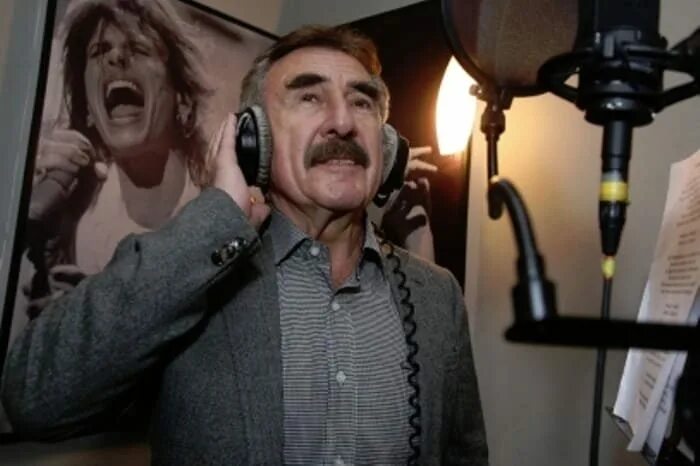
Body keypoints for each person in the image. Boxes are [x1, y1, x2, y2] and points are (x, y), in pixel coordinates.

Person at [2, 25, 488, 465]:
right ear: (253, 139)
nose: (343, 122)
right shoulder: (193, 273)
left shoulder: (436, 294)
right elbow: (34, 396)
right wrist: (218, 216)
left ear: (387, 145)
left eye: (361, 102)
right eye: (310, 97)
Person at [24, 0, 210, 316]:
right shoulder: (71, 213)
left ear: (183, 99)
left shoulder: (217, 209)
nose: (116, 57)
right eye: (99, 51)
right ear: (89, 109)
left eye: (138, 47)